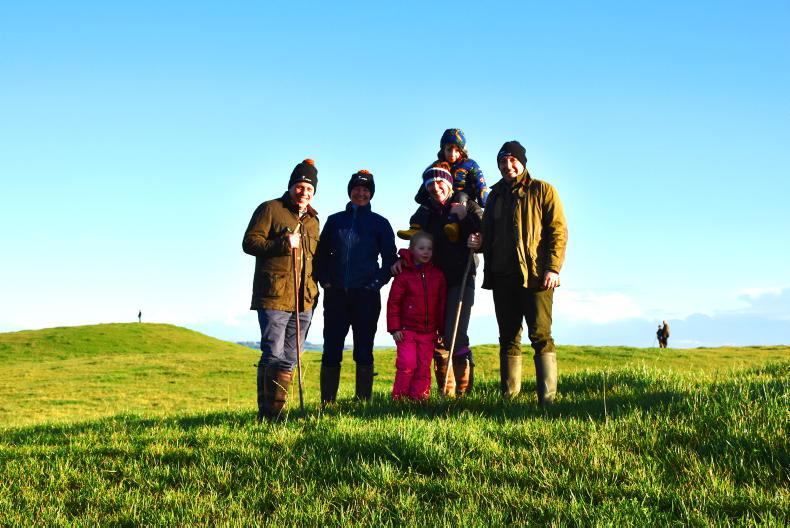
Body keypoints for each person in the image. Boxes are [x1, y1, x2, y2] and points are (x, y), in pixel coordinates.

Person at [468, 140, 568, 406]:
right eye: (503, 161)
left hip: (536, 277)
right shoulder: (494, 196)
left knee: (540, 336)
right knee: (508, 338)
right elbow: (488, 235)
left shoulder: (543, 190)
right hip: (502, 277)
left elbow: (558, 231)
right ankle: (509, 400)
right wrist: (479, 242)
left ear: (522, 162)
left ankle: (547, 402)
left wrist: (553, 268)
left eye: (512, 160)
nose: (507, 165)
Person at [392, 162, 483, 396]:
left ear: (450, 183)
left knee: (455, 333)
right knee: (438, 334)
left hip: (461, 277)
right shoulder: (425, 212)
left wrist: (464, 219)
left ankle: (462, 393)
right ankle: (446, 391)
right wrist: (403, 259)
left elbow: (484, 235)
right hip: (432, 281)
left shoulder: (467, 205)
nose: (436, 187)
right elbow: (416, 243)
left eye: (440, 181)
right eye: (430, 184)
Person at [242, 159, 320, 421]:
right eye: (300, 186)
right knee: (273, 354)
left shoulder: (313, 220)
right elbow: (250, 243)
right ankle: (266, 415)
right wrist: (282, 243)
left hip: (304, 298)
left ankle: (277, 413)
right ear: (290, 186)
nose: (304, 192)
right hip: (274, 295)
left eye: (309, 189)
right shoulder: (270, 209)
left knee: (290, 357)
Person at [314, 170, 397, 404]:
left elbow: (390, 260)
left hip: (366, 296)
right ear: (350, 191)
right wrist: (325, 281)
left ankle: (362, 403)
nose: (361, 193)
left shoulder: (380, 223)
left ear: (371, 193)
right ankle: (327, 403)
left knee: (363, 349)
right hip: (336, 295)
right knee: (331, 349)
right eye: (357, 189)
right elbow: (321, 256)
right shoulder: (334, 221)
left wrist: (375, 284)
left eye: (366, 189)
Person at [397, 128, 489, 243]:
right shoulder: (438, 165)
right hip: (442, 202)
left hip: (463, 195)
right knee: (427, 204)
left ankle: (454, 225)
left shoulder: (469, 164)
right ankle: (415, 226)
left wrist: (484, 200)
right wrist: (421, 195)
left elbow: (479, 181)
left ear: (462, 151)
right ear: (443, 149)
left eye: (457, 150)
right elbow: (429, 179)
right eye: (449, 150)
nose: (452, 154)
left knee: (460, 197)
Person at [387, 232, 447, 401]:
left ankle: (419, 399)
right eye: (421, 248)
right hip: (406, 331)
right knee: (407, 364)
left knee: (423, 367)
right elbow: (393, 303)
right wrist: (395, 328)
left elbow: (441, 305)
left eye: (429, 249)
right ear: (412, 250)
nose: (426, 252)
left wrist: (441, 330)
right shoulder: (403, 275)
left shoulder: (438, 275)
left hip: (429, 332)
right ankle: (399, 398)